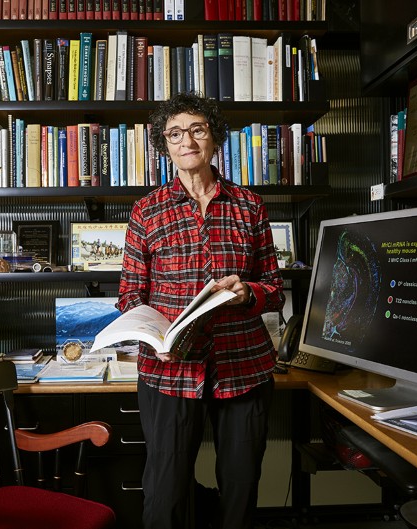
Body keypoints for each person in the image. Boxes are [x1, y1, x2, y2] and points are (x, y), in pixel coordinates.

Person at [117, 92, 285, 529]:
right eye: (175, 134)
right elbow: (130, 295)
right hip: (169, 370)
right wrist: (152, 336)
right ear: (164, 144)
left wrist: (249, 292)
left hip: (243, 365)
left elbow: (274, 288)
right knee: (165, 492)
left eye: (197, 129)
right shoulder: (146, 211)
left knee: (241, 488)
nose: (186, 140)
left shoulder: (250, 205)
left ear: (214, 138)